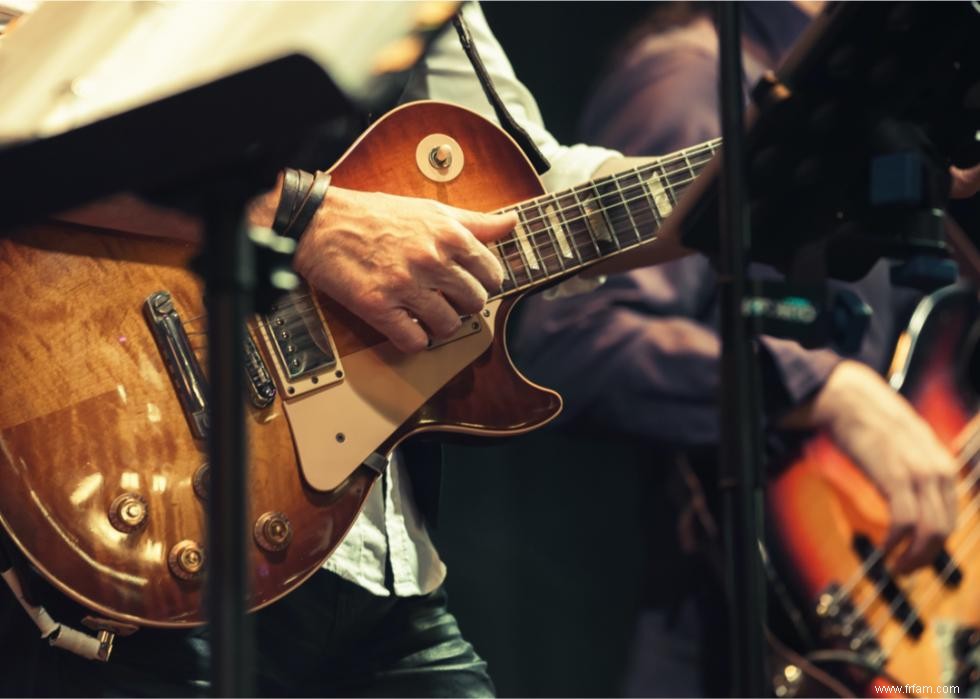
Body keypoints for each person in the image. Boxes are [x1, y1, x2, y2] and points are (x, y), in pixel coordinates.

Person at [0, 3, 636, 696]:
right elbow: (29, 117)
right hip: (157, 505)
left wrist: (719, 189)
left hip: (375, 558)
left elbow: (529, 182)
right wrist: (306, 217)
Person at [508, 1, 969, 694]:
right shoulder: (691, 79)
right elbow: (573, 338)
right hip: (731, 648)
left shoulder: (891, 107)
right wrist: (828, 391)